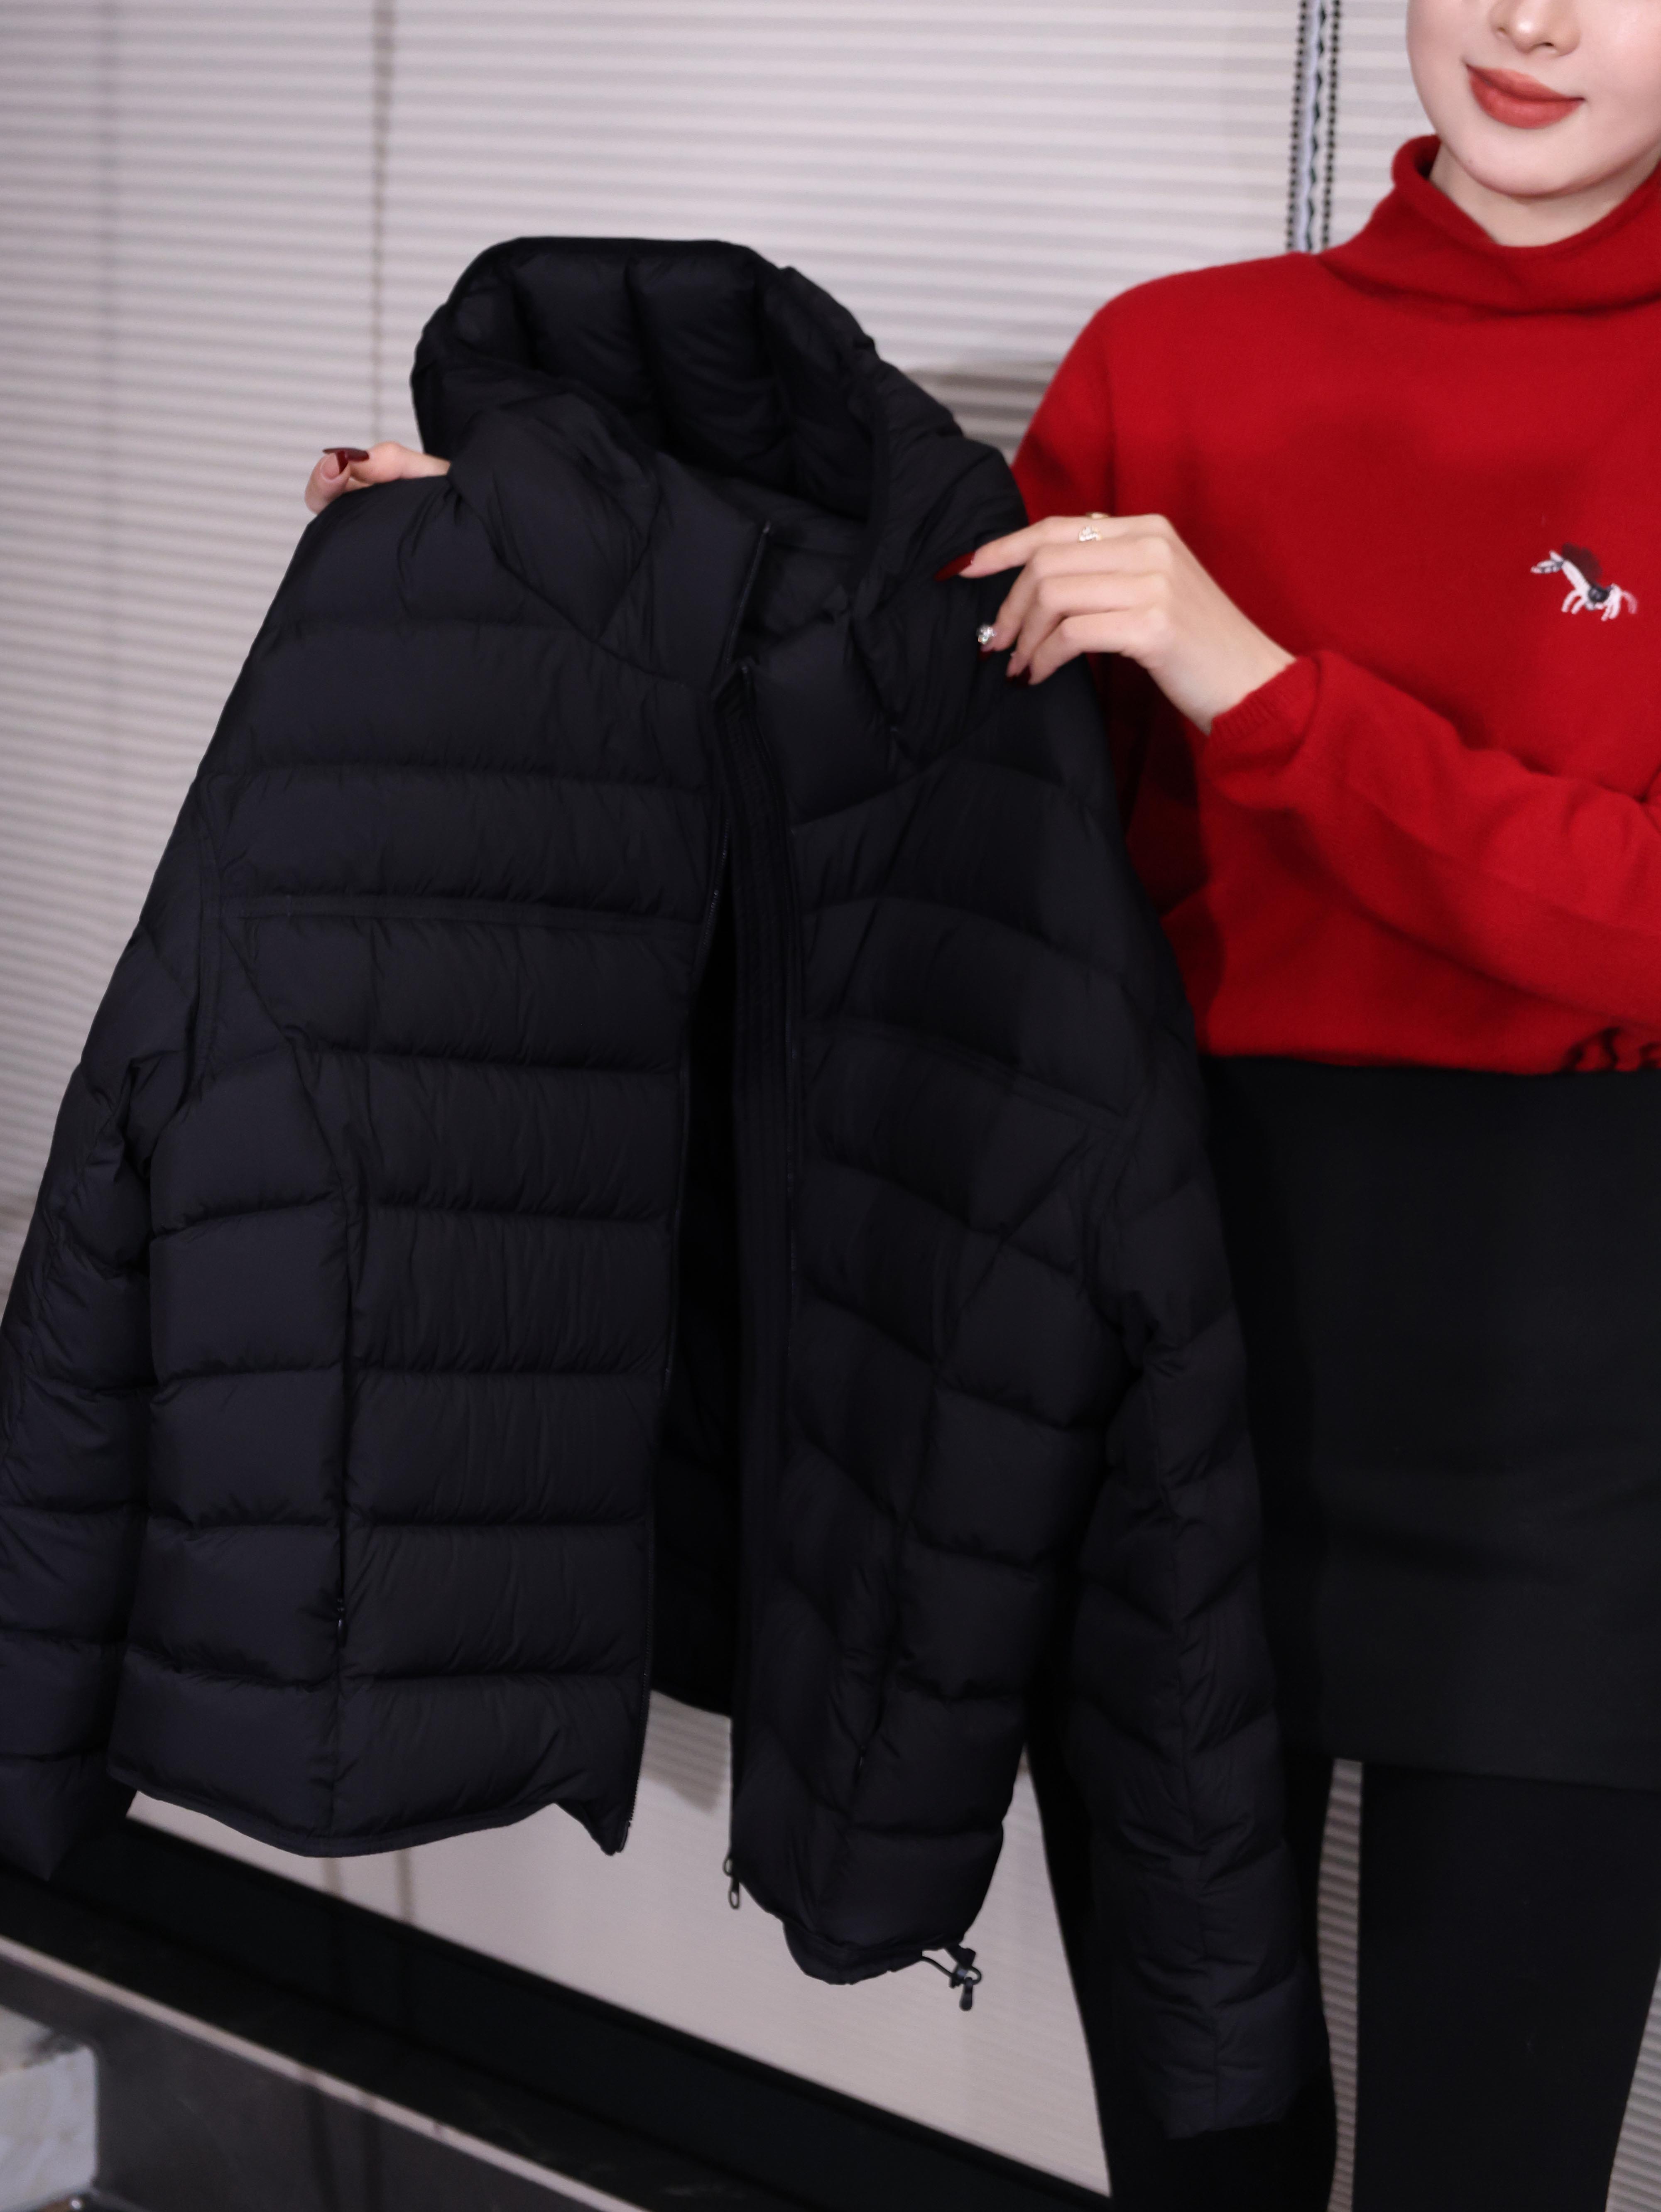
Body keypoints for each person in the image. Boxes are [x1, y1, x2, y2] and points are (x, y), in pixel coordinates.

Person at [961, 0, 1661, 2206]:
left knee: (1496, 2172)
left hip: (1596, 1397)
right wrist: (537, 559)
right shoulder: (1173, 361)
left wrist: (1262, 695)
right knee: (1200, 2156)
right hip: (1182, 1339)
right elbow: (912, 720)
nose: (1531, 21)